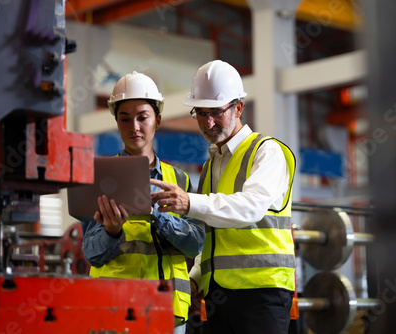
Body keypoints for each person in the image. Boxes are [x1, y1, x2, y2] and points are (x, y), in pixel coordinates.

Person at [150, 60, 296, 334]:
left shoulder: (267, 152)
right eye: (201, 113)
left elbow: (251, 207)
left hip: (262, 293)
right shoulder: (211, 166)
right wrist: (195, 279)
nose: (208, 122)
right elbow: (212, 236)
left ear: (239, 107)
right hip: (218, 295)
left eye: (216, 112)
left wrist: (190, 203)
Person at [81, 71, 206, 334]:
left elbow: (196, 242)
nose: (134, 127)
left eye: (143, 117)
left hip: (169, 312)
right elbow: (91, 253)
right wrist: (111, 232)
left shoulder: (179, 180)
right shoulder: (102, 178)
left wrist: (157, 215)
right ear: (116, 122)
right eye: (125, 119)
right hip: (116, 311)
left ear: (158, 121)